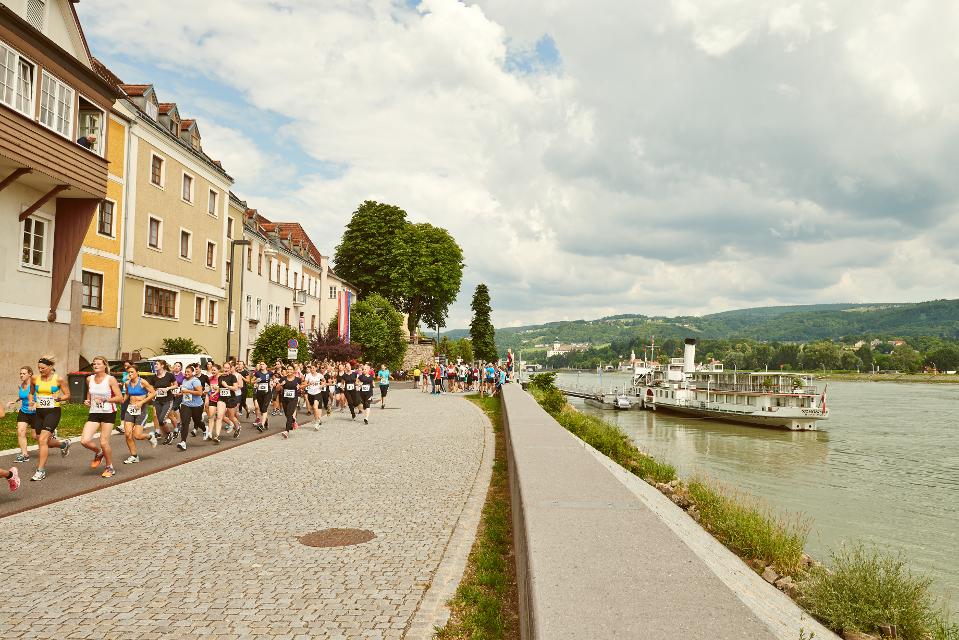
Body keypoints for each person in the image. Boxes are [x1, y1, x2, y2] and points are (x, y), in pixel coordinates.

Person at [79, 356, 123, 478]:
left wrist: (106, 399)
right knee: (85, 440)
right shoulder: (89, 379)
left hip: (108, 412)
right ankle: (99, 453)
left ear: (105, 366)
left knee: (104, 442)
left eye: (98, 364)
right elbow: (90, 392)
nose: (96, 366)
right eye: (94, 364)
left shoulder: (110, 379)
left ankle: (110, 467)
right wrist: (88, 400)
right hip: (94, 412)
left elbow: (120, 398)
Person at [31, 356, 71, 481]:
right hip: (39, 412)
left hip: (53, 411)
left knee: (43, 440)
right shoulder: (35, 378)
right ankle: (63, 444)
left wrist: (58, 398)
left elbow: (68, 395)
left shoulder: (58, 379)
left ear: (50, 367)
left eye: (43, 368)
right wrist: (32, 400)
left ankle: (40, 470)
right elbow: (31, 393)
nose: (40, 370)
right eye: (39, 368)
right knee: (40, 440)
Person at [121, 363, 157, 464]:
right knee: (128, 434)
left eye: (132, 372)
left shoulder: (143, 382)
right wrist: (123, 400)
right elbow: (127, 393)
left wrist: (142, 402)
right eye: (128, 372)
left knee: (137, 435)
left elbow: (153, 393)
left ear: (137, 373)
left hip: (141, 410)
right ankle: (134, 456)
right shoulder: (127, 383)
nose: (130, 374)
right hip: (130, 409)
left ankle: (150, 436)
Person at [7, 366, 36, 463]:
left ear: (30, 374)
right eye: (20, 373)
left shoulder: (35, 385)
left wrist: (35, 404)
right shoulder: (21, 385)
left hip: (36, 413)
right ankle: (24, 454)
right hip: (24, 411)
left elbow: (42, 396)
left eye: (24, 373)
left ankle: (51, 433)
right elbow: (22, 396)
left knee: (35, 436)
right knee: (20, 431)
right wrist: (14, 401)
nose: (21, 375)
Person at [177, 365, 205, 451]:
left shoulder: (195, 381)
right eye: (185, 372)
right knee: (185, 422)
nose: (186, 373)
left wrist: (187, 391)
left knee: (197, 421)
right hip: (186, 404)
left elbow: (200, 393)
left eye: (188, 372)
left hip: (196, 405)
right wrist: (180, 394)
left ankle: (205, 428)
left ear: (192, 373)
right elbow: (184, 392)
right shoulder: (184, 380)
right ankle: (183, 442)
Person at [152, 360, 178, 445]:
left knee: (161, 419)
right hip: (158, 401)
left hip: (167, 400)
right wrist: (152, 393)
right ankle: (168, 435)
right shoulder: (154, 377)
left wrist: (168, 388)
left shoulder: (169, 375)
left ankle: (171, 432)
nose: (155, 365)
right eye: (155, 364)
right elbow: (151, 388)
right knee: (160, 421)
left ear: (162, 366)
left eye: (157, 364)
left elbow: (176, 385)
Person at [215, 361, 242, 443]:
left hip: (231, 399)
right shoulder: (220, 377)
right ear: (222, 368)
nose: (226, 369)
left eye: (228, 368)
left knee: (231, 417)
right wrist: (215, 392)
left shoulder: (232, 377)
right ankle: (216, 436)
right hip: (222, 399)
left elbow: (236, 388)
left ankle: (237, 427)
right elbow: (220, 388)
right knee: (219, 416)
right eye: (225, 368)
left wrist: (226, 386)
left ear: (230, 369)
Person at [278, 364, 303, 438]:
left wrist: (300, 387)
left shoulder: (297, 379)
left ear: (294, 371)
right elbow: (277, 389)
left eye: (291, 369)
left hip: (293, 399)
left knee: (289, 414)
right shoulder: (283, 378)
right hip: (284, 399)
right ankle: (293, 421)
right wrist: (281, 385)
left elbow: (303, 385)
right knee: (287, 414)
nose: (289, 371)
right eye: (288, 369)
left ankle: (286, 431)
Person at [252, 361, 272, 431]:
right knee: (262, 409)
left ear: (266, 366)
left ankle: (262, 425)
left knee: (264, 407)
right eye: (260, 364)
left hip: (267, 393)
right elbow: (251, 381)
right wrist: (256, 381)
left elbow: (274, 379)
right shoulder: (257, 373)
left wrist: (274, 382)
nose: (261, 365)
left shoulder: (270, 373)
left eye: (263, 364)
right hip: (259, 393)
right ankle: (265, 421)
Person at [304, 364, 324, 430]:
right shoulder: (308, 375)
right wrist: (308, 384)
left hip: (317, 393)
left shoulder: (319, 375)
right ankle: (318, 419)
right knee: (314, 409)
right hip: (310, 394)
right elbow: (305, 383)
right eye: (311, 368)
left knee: (315, 407)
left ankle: (316, 423)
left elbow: (324, 380)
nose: (312, 369)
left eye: (313, 368)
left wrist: (322, 385)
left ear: (316, 368)